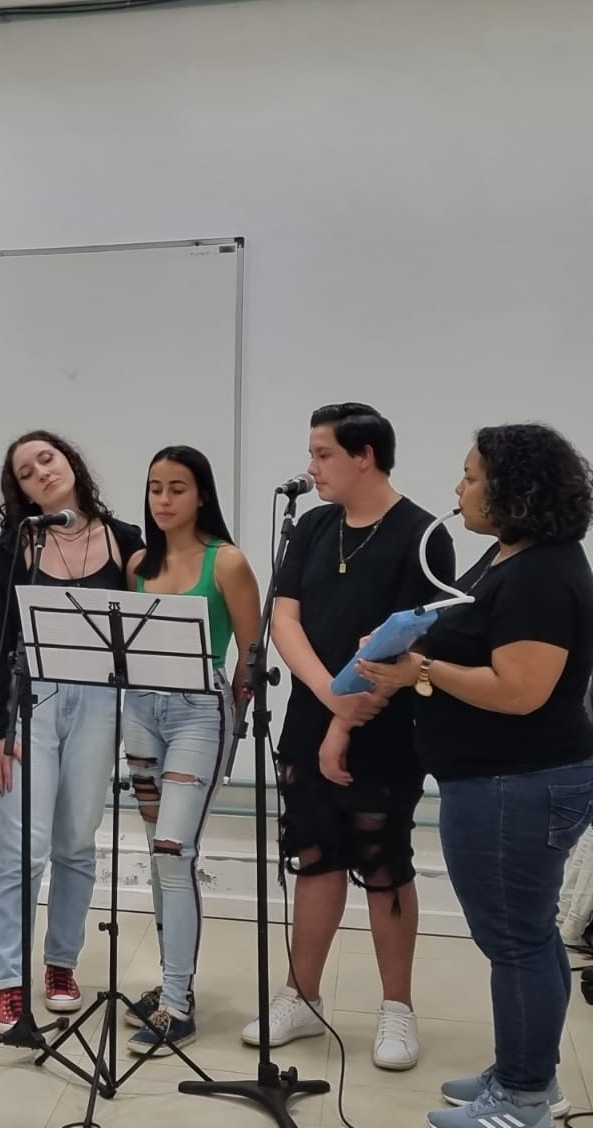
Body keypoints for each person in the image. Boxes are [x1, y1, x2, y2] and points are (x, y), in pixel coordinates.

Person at [356, 424, 593, 1128]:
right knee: (528, 936)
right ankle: (529, 1076)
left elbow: (520, 690)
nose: (457, 488)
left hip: (515, 784)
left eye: (470, 476)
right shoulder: (508, 554)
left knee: (515, 942)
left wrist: (419, 671)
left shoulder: (542, 573)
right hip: (499, 780)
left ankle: (522, 1100)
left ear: (514, 489)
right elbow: (476, 638)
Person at [242, 402, 454, 1071]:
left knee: (383, 861)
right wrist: (326, 694)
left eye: (323, 454)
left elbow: (411, 643)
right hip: (312, 712)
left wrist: (346, 715)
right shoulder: (311, 525)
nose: (311, 467)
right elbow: (285, 619)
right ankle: (301, 997)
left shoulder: (421, 534)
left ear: (364, 456)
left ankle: (397, 1008)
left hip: (385, 724)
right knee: (314, 855)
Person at [0, 431, 145, 1030]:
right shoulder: (11, 550)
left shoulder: (126, 540)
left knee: (76, 842)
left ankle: (61, 962)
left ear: (71, 463)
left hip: (100, 703)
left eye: (47, 458)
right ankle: (9, 979)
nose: (41, 471)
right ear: (20, 492)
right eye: (25, 471)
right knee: (22, 847)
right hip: (29, 703)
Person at [119, 446, 261, 1054]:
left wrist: (234, 719)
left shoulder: (226, 561)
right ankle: (173, 985)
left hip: (200, 713)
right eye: (155, 487)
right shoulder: (137, 564)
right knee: (158, 853)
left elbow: (251, 653)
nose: (164, 499)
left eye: (177, 487)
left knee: (176, 853)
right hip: (139, 713)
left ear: (201, 494)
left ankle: (176, 1006)